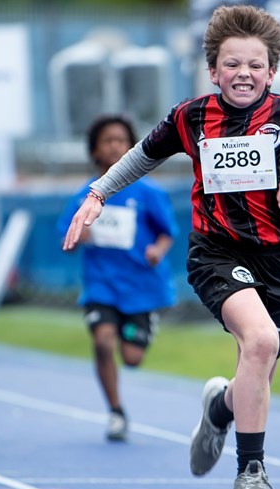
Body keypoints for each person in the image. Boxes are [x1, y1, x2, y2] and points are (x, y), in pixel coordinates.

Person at [63, 4, 280, 489]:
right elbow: (140, 156)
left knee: (256, 371)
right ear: (213, 69)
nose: (244, 74)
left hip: (278, 261)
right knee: (259, 341)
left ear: (272, 71)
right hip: (216, 253)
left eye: (255, 65)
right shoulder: (191, 116)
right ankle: (251, 474)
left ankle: (218, 411)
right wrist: (98, 194)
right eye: (232, 64)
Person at [57, 114, 177, 442]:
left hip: (140, 287)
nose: (114, 146)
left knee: (132, 358)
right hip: (102, 284)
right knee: (102, 340)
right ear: (94, 149)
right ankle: (115, 411)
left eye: (121, 140)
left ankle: (144, 324)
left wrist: (157, 249)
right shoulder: (84, 196)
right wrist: (77, 237)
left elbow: (168, 233)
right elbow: (65, 240)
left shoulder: (148, 192)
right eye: (107, 140)